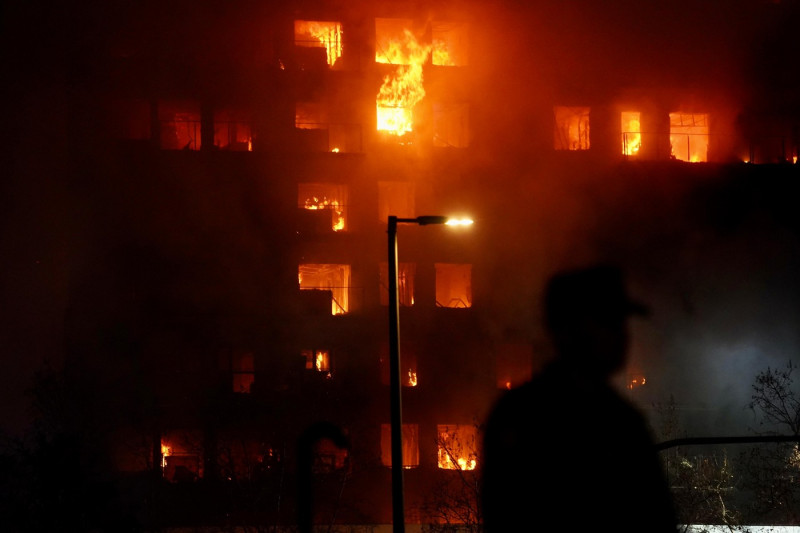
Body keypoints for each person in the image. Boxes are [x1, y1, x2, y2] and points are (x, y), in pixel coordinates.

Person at [481, 264, 677, 532]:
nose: (623, 335)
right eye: (608, 321)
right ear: (569, 330)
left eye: (620, 322)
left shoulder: (518, 412)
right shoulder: (617, 421)